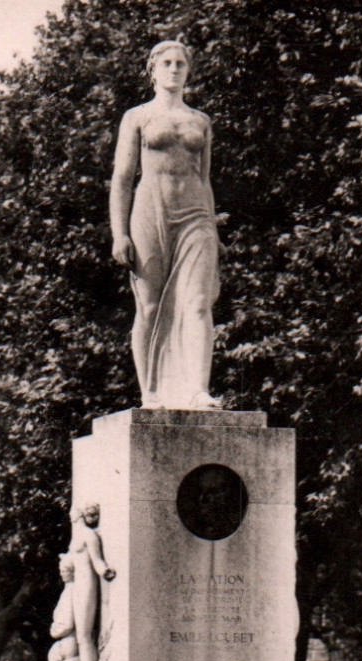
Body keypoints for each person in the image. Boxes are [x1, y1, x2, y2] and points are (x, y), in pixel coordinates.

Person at [109, 39, 222, 410]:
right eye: (167, 63)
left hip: (195, 216)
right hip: (150, 212)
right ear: (153, 70)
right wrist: (119, 232)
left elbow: (204, 179)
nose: (174, 70)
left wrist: (214, 231)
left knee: (199, 304)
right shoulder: (137, 117)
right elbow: (124, 178)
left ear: (188, 71)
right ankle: (151, 392)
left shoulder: (200, 121)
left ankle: (197, 390)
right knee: (151, 307)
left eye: (180, 64)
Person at [67, 504, 117, 661]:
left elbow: (97, 560)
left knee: (85, 636)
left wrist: (105, 570)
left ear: (78, 514)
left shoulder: (89, 535)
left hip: (88, 585)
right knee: (81, 637)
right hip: (78, 585)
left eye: (72, 510)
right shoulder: (77, 535)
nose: (70, 513)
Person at [47, 555, 88, 661]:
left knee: (54, 657)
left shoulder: (71, 592)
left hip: (70, 639)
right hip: (71, 640)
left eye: (65, 570)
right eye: (61, 570)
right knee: (54, 656)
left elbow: (68, 623)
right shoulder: (71, 591)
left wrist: (55, 631)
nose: (62, 573)